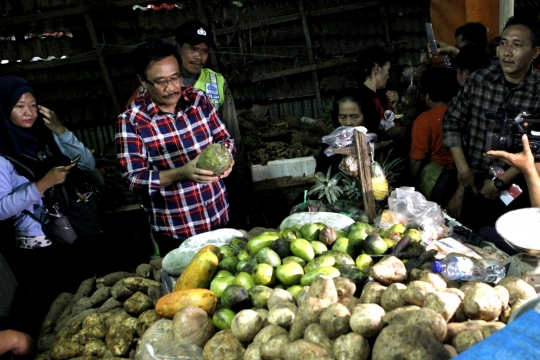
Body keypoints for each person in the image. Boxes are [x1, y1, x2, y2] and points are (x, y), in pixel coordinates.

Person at [116, 39, 235, 256]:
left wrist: (228, 159)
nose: (172, 88)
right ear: (143, 81)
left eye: (175, 77)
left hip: (219, 217)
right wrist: (180, 173)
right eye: (161, 82)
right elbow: (133, 179)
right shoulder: (131, 121)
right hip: (176, 231)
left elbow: (224, 139)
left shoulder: (198, 100)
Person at [0, 75, 97, 337]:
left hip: (71, 237)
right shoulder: (2, 155)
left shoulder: (45, 136)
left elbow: (88, 164)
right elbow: (1, 209)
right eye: (20, 106)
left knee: (83, 308)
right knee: (52, 317)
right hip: (37, 252)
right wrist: (43, 184)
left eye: (33, 104)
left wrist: (60, 129)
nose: (29, 113)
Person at [442, 15, 540, 231]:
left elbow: (536, 150)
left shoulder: (538, 92)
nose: (506, 52)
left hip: (516, 191)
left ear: (535, 52)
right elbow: (452, 122)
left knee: (506, 246)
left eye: (517, 45)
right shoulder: (478, 80)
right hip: (473, 184)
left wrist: (500, 182)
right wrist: (463, 169)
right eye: (503, 43)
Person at [409, 67, 460, 203]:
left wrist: (409, 183)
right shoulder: (460, 114)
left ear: (427, 94)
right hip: (460, 178)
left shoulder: (424, 120)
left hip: (437, 181)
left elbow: (416, 159)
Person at [355, 45, 406, 140]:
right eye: (387, 70)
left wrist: (395, 108)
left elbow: (396, 124)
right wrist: (388, 134)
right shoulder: (357, 99)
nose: (388, 76)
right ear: (377, 68)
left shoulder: (383, 97)